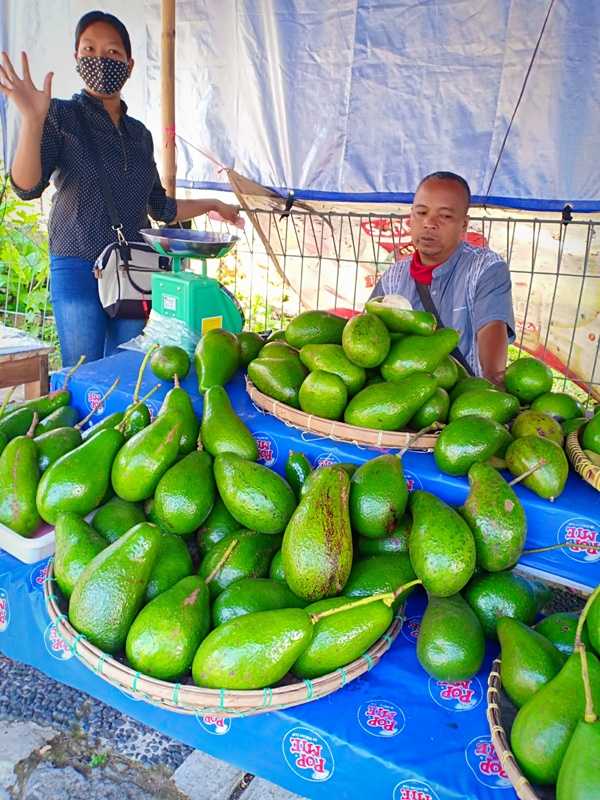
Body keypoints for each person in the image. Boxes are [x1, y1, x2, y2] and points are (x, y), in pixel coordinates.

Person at [0, 10, 242, 367]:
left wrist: (214, 203)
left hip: (134, 268)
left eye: (113, 52)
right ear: (77, 59)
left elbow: (160, 206)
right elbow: (26, 186)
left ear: (129, 65)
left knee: (129, 369)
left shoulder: (140, 134)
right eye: (89, 50)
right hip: (78, 263)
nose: (101, 59)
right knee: (81, 370)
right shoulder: (59, 115)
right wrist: (33, 120)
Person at [369, 172, 515, 385]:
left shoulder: (485, 268)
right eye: (421, 212)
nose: (429, 223)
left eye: (445, 216)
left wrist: (493, 383)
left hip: (463, 403)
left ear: (464, 225)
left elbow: (491, 332)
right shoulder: (393, 277)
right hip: (400, 402)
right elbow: (368, 334)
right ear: (411, 217)